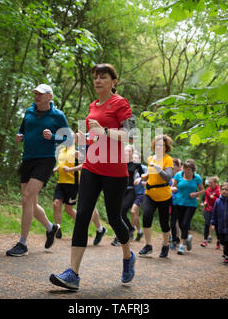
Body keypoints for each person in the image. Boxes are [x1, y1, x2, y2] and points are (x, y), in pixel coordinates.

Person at [50, 63, 135, 290]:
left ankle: (127, 257)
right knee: (83, 214)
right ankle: (73, 274)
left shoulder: (121, 103)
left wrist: (104, 131)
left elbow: (132, 135)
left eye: (103, 77)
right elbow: (95, 136)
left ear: (113, 82)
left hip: (115, 171)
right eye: (96, 77)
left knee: (114, 217)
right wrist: (85, 139)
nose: (98, 80)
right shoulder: (92, 105)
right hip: (91, 167)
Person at [6, 84, 71, 257]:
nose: (37, 96)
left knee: (27, 197)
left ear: (49, 96)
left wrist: (54, 137)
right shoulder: (29, 111)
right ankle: (51, 228)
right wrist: (19, 136)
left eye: (40, 94)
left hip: (45, 159)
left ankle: (22, 244)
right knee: (30, 202)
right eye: (35, 93)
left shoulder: (58, 116)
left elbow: (68, 139)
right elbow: (22, 129)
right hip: (28, 158)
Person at [51, 133, 107, 244]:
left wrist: (71, 170)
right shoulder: (66, 150)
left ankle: (89, 227)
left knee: (85, 206)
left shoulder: (85, 147)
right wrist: (57, 168)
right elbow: (64, 163)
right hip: (69, 181)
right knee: (61, 205)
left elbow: (86, 163)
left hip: (83, 181)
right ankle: (59, 228)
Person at [138, 135, 174, 258]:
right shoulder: (150, 158)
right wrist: (145, 175)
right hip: (149, 194)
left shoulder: (168, 159)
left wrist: (159, 169)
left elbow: (168, 177)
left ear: (166, 147)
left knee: (164, 222)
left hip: (164, 195)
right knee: (146, 216)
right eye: (157, 145)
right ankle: (148, 245)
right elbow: (151, 173)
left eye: (162, 145)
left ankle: (166, 245)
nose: (159, 147)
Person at [111, 145, 144, 246]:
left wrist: (140, 179)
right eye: (125, 151)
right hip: (120, 190)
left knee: (122, 211)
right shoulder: (119, 162)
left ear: (132, 152)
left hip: (130, 190)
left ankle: (119, 237)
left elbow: (143, 174)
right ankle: (129, 229)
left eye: (129, 151)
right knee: (117, 213)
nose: (126, 153)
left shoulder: (136, 164)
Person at [171, 159, 205, 255]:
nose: (186, 171)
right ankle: (185, 238)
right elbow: (173, 186)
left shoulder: (196, 178)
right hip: (178, 202)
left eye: (189, 169)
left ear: (193, 169)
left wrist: (196, 194)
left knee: (185, 223)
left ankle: (182, 246)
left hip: (190, 204)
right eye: (185, 168)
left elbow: (203, 190)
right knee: (178, 224)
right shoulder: (178, 175)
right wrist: (173, 189)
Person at [131, 152, 147, 241]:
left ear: (140, 160)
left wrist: (141, 179)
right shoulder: (131, 168)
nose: (134, 160)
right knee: (135, 214)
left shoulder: (144, 168)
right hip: (132, 193)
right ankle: (140, 231)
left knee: (133, 212)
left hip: (141, 194)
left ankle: (131, 230)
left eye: (136, 158)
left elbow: (149, 179)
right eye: (133, 159)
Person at [201, 176, 220, 248]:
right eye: (209, 183)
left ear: (215, 183)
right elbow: (206, 199)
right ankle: (205, 241)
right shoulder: (207, 190)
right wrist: (204, 202)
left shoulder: (219, 190)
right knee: (206, 224)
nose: (209, 184)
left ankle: (218, 241)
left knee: (216, 226)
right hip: (208, 209)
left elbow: (220, 200)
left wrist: (214, 198)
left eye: (211, 183)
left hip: (217, 210)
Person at [170, 158, 183, 249]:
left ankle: (175, 239)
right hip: (167, 201)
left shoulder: (180, 176)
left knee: (174, 222)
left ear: (178, 167)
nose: (173, 167)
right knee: (170, 222)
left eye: (175, 165)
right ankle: (173, 237)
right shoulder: (167, 175)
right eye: (172, 165)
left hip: (177, 202)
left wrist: (176, 189)